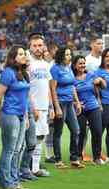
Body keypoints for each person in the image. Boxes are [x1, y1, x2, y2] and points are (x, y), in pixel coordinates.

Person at [0, 45, 30, 189]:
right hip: (10, 114)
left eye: (24, 54)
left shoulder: (24, 73)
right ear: (13, 57)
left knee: (18, 149)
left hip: (21, 115)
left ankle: (14, 180)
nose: (24, 56)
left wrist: (27, 116)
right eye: (20, 54)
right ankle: (5, 181)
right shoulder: (8, 73)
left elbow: (25, 98)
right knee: (9, 149)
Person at [50, 47, 84, 169]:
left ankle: (74, 158)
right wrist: (56, 107)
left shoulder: (69, 68)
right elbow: (52, 88)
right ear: (61, 56)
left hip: (70, 103)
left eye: (70, 54)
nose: (69, 56)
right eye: (67, 54)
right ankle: (58, 160)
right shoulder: (55, 69)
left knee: (76, 130)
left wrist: (77, 102)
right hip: (61, 102)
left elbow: (72, 86)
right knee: (58, 132)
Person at [27, 33, 54, 177]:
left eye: (40, 45)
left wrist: (51, 107)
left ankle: (35, 168)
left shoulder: (45, 64)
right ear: (30, 47)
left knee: (41, 137)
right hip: (33, 107)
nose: (38, 48)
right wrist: (33, 107)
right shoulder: (27, 63)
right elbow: (26, 87)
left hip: (44, 107)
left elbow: (48, 87)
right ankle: (25, 168)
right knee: (30, 139)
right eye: (35, 46)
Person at [72, 55, 106, 165]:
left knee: (97, 131)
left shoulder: (91, 75)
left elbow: (103, 87)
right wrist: (75, 103)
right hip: (80, 109)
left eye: (83, 63)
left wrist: (101, 80)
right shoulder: (72, 78)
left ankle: (96, 157)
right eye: (80, 63)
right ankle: (78, 156)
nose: (82, 65)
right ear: (75, 65)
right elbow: (70, 93)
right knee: (80, 132)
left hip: (93, 107)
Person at [43, 41, 58, 164]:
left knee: (52, 128)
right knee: (47, 128)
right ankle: (48, 154)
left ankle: (51, 152)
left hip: (55, 99)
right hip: (48, 100)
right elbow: (50, 85)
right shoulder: (48, 66)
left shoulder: (54, 65)